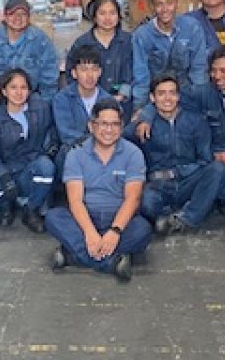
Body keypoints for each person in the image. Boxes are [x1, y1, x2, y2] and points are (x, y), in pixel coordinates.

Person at [135, 44, 225, 216]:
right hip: (220, 158)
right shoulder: (204, 92)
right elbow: (167, 98)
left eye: (224, 71)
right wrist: (147, 116)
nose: (217, 76)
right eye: (213, 71)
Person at [0, 0, 59, 232]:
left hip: (29, 99)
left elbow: (49, 78)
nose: (18, 18)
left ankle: (33, 200)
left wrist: (42, 108)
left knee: (43, 144)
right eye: (13, 13)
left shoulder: (40, 41)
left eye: (23, 14)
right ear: (4, 17)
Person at [46, 99, 153, 281]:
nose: (109, 130)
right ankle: (111, 262)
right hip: (86, 220)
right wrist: (90, 234)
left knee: (143, 230)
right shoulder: (75, 154)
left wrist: (115, 231)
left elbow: (132, 198)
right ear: (91, 126)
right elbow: (75, 200)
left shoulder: (133, 153)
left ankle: (74, 255)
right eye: (103, 124)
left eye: (115, 124)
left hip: (119, 219)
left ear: (121, 127)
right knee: (54, 217)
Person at [127, 73, 225, 234]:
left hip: (188, 180)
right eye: (161, 93)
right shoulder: (142, 124)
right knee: (146, 202)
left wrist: (180, 172)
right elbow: (118, 140)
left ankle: (186, 218)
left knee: (218, 169)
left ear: (179, 96)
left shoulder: (195, 121)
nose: (167, 98)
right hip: (158, 185)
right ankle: (173, 214)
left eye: (172, 93)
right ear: (152, 98)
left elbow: (205, 159)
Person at [0, 69, 57, 233]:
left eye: (23, 87)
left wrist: (49, 149)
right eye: (13, 87)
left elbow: (52, 131)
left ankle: (31, 210)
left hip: (28, 167)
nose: (19, 92)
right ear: (4, 91)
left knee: (46, 167)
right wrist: (3, 175)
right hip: (5, 169)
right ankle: (6, 205)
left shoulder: (40, 110)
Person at [131, 0, 210, 110]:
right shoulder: (142, 35)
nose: (165, 9)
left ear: (177, 3)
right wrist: (140, 108)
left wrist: (201, 102)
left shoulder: (192, 27)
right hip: (156, 95)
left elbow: (199, 68)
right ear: (152, 7)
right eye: (159, 4)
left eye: (169, 3)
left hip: (187, 91)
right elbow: (141, 75)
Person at [68, 0, 134, 120]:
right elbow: (71, 75)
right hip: (90, 106)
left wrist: (122, 95)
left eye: (112, 13)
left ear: (119, 16)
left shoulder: (129, 41)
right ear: (94, 16)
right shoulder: (82, 43)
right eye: (102, 13)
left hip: (124, 106)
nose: (107, 18)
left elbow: (136, 72)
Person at [51, 45, 105, 175]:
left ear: (100, 72)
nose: (89, 75)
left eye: (94, 69)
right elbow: (66, 134)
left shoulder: (108, 101)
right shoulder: (62, 99)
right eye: (84, 70)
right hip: (73, 153)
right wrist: (95, 139)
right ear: (74, 73)